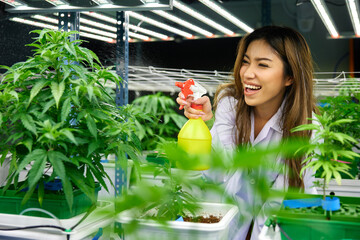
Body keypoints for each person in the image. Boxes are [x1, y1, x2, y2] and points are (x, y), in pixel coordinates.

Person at [176, 25, 318, 239]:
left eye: (262, 65)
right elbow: (216, 173)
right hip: (227, 227)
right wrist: (202, 125)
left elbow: (288, 203)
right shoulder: (229, 107)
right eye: (245, 61)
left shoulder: (308, 129)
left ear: (290, 77)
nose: (248, 73)